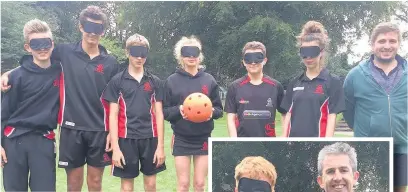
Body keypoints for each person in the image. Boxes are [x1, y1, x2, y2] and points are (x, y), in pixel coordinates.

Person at [1, 6, 120, 192]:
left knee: (95, 183)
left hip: (99, 130)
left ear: (103, 31)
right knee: (73, 185)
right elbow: (36, 59)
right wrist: (8, 74)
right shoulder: (65, 52)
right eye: (88, 27)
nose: (92, 33)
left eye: (97, 28)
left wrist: (113, 132)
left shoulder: (111, 62)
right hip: (70, 130)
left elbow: (116, 99)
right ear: (80, 27)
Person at [343, 22, 407, 192]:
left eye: (392, 41)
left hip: (402, 148)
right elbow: (348, 111)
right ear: (372, 45)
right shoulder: (355, 75)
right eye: (382, 41)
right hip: (369, 147)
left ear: (399, 44)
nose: (387, 46)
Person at [1, 19, 61, 192]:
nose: (42, 48)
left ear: (52, 44)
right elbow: (2, 113)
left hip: (43, 140)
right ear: (27, 47)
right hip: (13, 140)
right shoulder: (15, 77)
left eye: (46, 43)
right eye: (36, 44)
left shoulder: (61, 71)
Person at [103, 33, 166, 192]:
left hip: (150, 138)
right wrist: (116, 148)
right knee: (126, 188)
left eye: (143, 53)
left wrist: (160, 147)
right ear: (127, 52)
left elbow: (159, 114)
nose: (139, 58)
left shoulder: (155, 81)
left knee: (151, 185)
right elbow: (113, 115)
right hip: (126, 139)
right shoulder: (117, 81)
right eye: (135, 53)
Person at [163, 35, 223, 192]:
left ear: (199, 55)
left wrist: (211, 113)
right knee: (183, 185)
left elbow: (219, 110)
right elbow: (164, 112)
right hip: (182, 138)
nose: (191, 57)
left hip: (203, 137)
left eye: (194, 53)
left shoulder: (209, 80)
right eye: (186, 53)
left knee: (200, 184)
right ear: (180, 56)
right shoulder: (171, 81)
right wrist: (179, 110)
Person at [281, 21, 345, 137]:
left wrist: (326, 143)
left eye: (313, 52)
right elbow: (287, 115)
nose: (308, 57)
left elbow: (332, 116)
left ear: (321, 52)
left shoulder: (333, 81)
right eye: (304, 52)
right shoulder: (294, 83)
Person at [224, 41, 286, 137]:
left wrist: (284, 137)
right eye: (248, 59)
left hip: (269, 145)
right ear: (244, 62)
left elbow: (285, 113)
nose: (253, 62)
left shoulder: (276, 86)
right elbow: (230, 118)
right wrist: (234, 140)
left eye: (258, 58)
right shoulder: (234, 87)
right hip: (242, 144)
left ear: (265, 60)